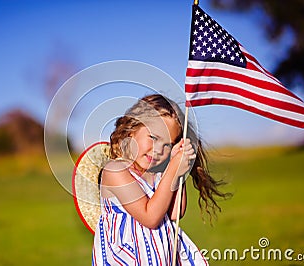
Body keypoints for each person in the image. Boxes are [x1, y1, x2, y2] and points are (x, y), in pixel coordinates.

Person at [92, 94, 230, 265]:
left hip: (160, 257)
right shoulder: (115, 170)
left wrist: (178, 168)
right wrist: (173, 170)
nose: (158, 150)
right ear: (132, 129)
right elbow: (150, 217)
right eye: (154, 138)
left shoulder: (158, 174)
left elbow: (175, 212)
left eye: (167, 145)